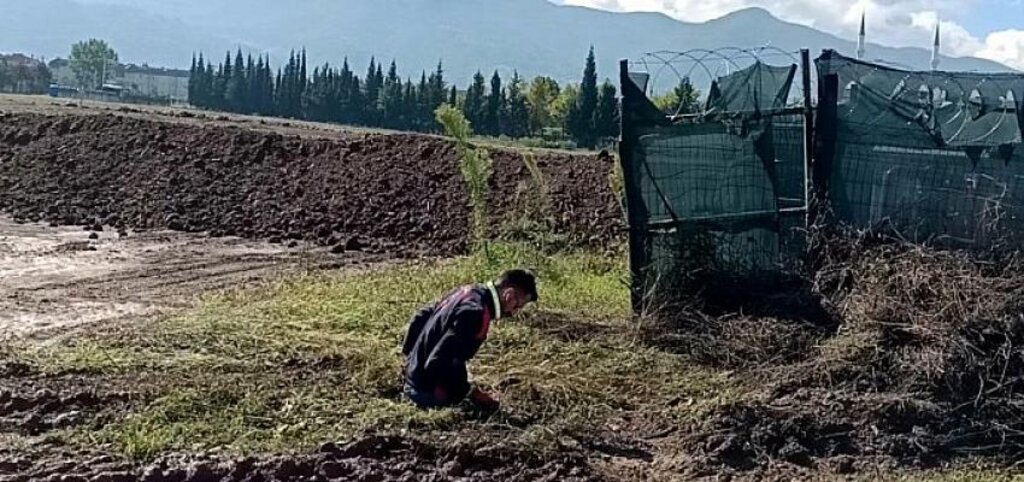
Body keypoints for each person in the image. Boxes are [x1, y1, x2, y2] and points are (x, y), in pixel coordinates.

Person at [401, 269, 538, 411]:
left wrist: (408, 360)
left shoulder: (466, 291)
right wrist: (469, 393)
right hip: (426, 392)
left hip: (412, 378)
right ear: (508, 295)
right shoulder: (476, 314)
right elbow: (440, 360)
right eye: (517, 306)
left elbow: (420, 317)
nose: (514, 313)